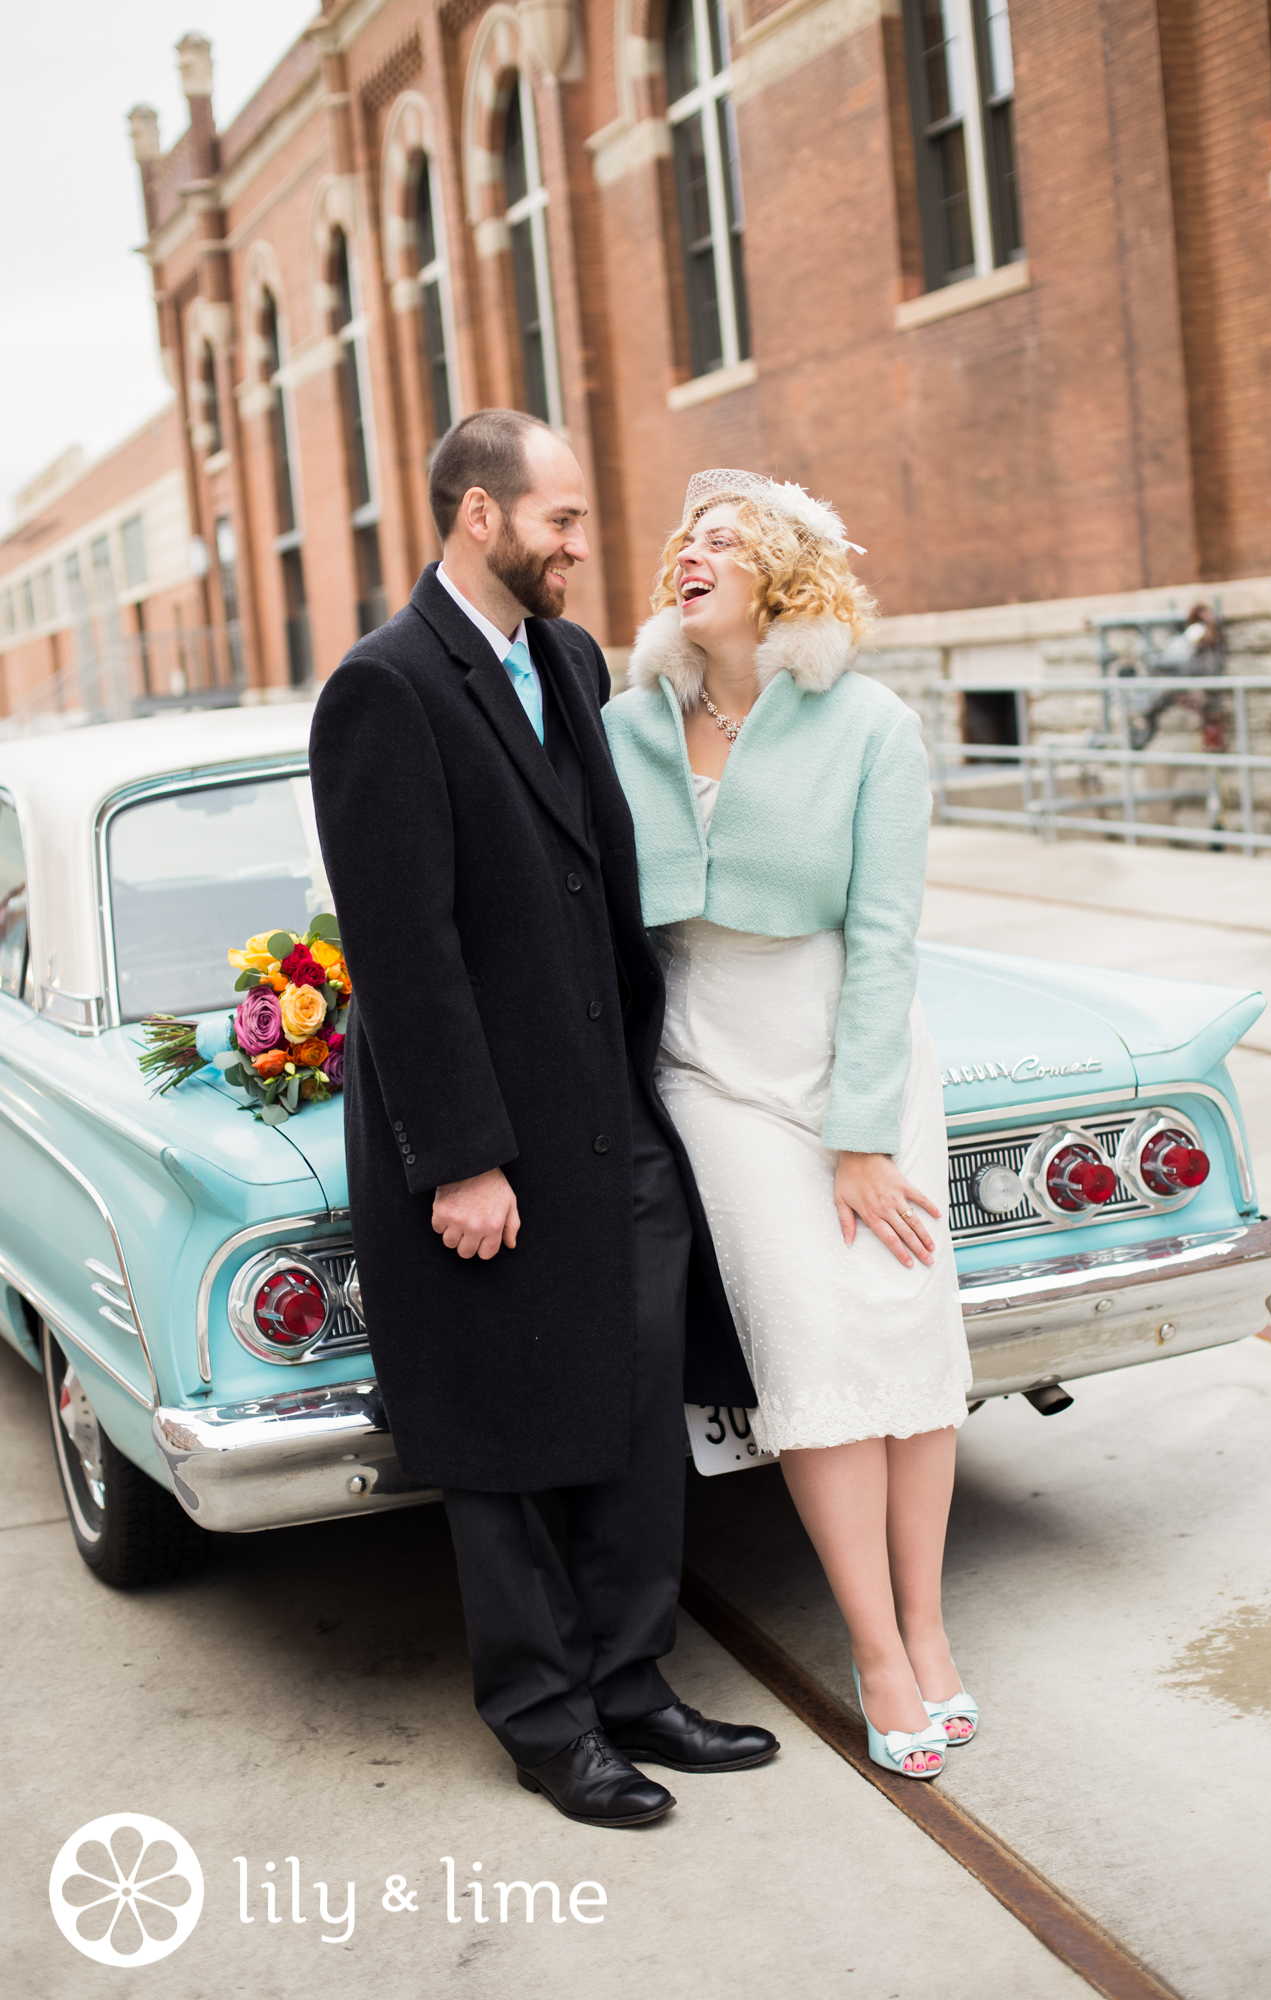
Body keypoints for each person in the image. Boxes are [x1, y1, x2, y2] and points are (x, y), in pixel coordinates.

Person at [309, 414, 776, 1828]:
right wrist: (458, 1157)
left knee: (637, 1417)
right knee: (506, 1438)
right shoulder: (383, 691)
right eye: (560, 521)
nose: (582, 545)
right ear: (475, 515)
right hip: (490, 1146)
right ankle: (543, 1720)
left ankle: (632, 1682)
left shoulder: (566, 662)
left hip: (609, 1124)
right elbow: (404, 948)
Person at [603, 469, 975, 1780]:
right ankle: (875, 1651)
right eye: (684, 539)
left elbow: (883, 935)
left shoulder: (866, 722)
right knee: (811, 1359)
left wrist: (862, 1133)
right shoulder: (626, 722)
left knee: (904, 1343)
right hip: (713, 1071)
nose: (691, 553)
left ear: (782, 574)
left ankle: (931, 1632)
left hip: (856, 1064)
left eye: (725, 539)